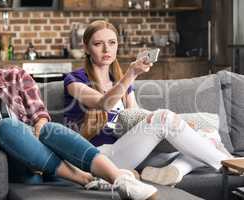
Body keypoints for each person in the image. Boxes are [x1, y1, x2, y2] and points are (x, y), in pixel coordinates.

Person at [0, 31, 158, 200]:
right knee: (6, 127)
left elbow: (39, 113)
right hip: (13, 158)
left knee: (49, 128)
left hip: (38, 154)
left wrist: (40, 125)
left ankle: (119, 179)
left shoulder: (15, 75)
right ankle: (85, 178)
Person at [64, 20, 235, 187]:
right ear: (86, 48)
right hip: (102, 156)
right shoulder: (74, 80)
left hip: (132, 151)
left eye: (111, 42)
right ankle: (233, 164)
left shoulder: (120, 80)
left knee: (208, 134)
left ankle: (175, 170)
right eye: (98, 43)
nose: (106, 49)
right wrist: (131, 74)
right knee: (164, 118)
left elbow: (134, 118)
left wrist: (181, 125)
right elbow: (104, 103)